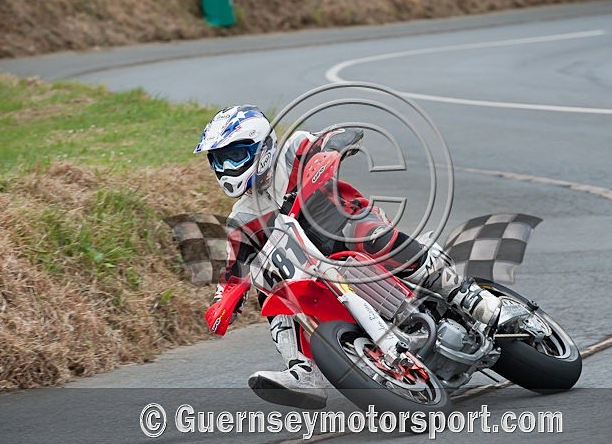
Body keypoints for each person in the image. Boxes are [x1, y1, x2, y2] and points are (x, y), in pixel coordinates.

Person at [197, 105, 502, 409]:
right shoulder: (242, 217)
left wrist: (332, 150)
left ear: (261, 148)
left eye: (234, 156)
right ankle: (303, 371)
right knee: (267, 279)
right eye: (219, 161)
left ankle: (463, 293)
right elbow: (233, 270)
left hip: (349, 227)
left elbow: (341, 136)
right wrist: (224, 301)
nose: (226, 168)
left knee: (365, 234)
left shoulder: (293, 151)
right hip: (315, 268)